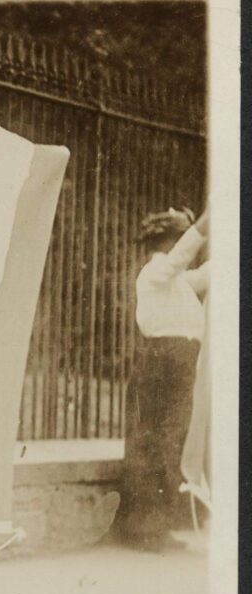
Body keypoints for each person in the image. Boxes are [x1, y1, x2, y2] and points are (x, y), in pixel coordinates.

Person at [115, 207, 209, 552]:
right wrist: (202, 227)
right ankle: (140, 528)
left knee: (171, 440)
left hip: (180, 362)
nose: (185, 243)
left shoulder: (179, 281)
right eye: (180, 236)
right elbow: (179, 261)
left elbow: (207, 274)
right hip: (161, 361)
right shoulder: (155, 269)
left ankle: (158, 524)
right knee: (152, 440)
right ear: (167, 240)